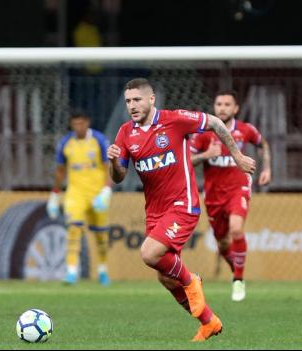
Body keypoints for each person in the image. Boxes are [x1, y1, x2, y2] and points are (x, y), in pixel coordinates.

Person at [107, 78, 256, 341]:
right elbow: (119, 177)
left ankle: (191, 281)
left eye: (137, 99)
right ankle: (209, 321)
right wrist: (113, 163)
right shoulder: (125, 133)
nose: (132, 105)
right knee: (164, 278)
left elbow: (215, 123)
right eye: (128, 101)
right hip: (155, 210)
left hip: (183, 204)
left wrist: (237, 156)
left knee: (149, 253)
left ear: (151, 99)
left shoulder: (175, 120)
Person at [190, 89, 271, 302]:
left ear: (235, 108)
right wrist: (206, 155)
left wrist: (267, 169)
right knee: (223, 244)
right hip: (214, 195)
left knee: (236, 229)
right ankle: (236, 270)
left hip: (238, 188)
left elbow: (262, 144)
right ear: (214, 108)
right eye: (219, 104)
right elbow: (187, 161)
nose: (222, 108)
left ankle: (238, 280)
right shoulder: (204, 134)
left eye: (227, 104)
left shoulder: (245, 130)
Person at [47, 111, 112, 286]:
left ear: (87, 122)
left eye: (81, 123)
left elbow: (109, 167)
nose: (78, 127)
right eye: (75, 123)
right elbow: (60, 171)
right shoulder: (66, 143)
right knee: (73, 230)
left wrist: (107, 190)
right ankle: (71, 272)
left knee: (101, 236)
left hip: (97, 194)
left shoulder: (99, 140)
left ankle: (102, 270)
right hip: (75, 194)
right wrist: (55, 194)